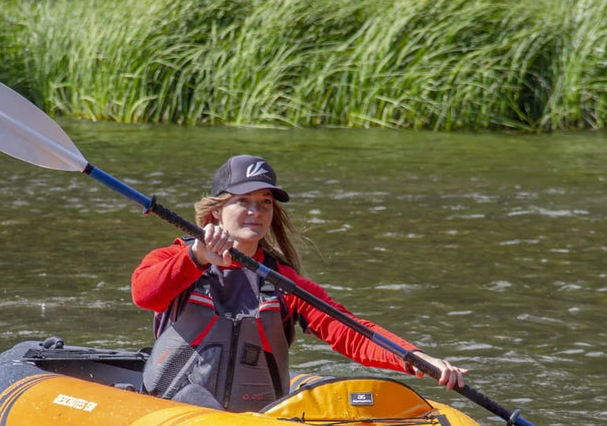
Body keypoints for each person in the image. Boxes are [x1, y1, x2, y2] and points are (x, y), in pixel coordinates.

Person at [130, 154, 467, 412]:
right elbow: (144, 294)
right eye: (243, 201)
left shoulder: (281, 281)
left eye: (265, 203)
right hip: (174, 410)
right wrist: (198, 257)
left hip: (256, 419)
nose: (256, 212)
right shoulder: (174, 258)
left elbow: (349, 331)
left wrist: (417, 358)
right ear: (217, 211)